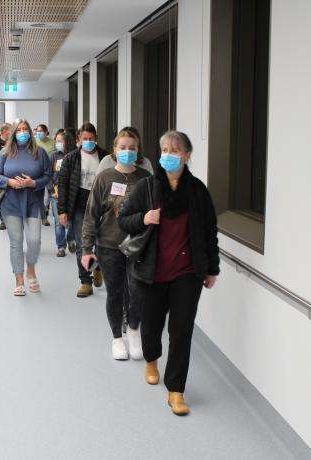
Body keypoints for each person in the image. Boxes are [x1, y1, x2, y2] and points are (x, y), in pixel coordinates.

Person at [118, 130, 220, 416]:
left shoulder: (198, 191)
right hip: (151, 272)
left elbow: (210, 232)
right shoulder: (147, 187)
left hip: (187, 273)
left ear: (187, 156)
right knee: (151, 325)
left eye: (174, 151)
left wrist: (212, 268)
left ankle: (176, 390)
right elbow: (123, 219)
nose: (168, 155)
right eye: (164, 149)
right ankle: (151, 359)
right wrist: (144, 218)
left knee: (181, 331)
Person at [81, 129, 150, 360]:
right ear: (114, 150)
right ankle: (117, 339)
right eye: (123, 147)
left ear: (138, 150)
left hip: (138, 245)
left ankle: (133, 331)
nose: (127, 151)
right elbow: (91, 215)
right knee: (115, 293)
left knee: (137, 291)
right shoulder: (105, 177)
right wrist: (87, 249)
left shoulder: (145, 179)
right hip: (109, 244)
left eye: (132, 147)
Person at [0, 119, 53, 296]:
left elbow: (48, 176)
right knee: (16, 242)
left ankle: (31, 269)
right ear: (14, 133)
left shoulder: (39, 152)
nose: (23, 132)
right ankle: (19, 279)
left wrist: (33, 183)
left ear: (30, 133)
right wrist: (9, 182)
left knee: (34, 241)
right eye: (19, 130)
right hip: (10, 203)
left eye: (26, 129)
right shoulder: (5, 152)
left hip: (33, 202)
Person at [58, 122, 108, 297]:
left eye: (91, 139)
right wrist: (62, 211)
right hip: (78, 205)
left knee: (102, 242)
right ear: (78, 139)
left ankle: (98, 268)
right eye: (85, 139)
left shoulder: (105, 156)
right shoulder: (71, 158)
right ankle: (85, 281)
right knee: (82, 245)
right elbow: (62, 185)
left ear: (96, 139)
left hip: (101, 205)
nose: (88, 141)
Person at [49, 129, 76, 257]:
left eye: (60, 141)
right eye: (56, 141)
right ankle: (61, 246)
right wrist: (51, 190)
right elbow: (47, 175)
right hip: (56, 194)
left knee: (71, 220)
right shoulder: (53, 156)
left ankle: (71, 239)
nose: (57, 143)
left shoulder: (74, 156)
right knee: (59, 222)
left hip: (71, 194)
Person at [34, 124, 56, 227]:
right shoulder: (34, 142)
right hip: (37, 173)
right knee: (41, 197)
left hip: (49, 172)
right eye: (38, 131)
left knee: (47, 197)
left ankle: (44, 217)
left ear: (46, 132)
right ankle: (43, 217)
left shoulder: (53, 143)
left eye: (41, 131)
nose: (39, 133)